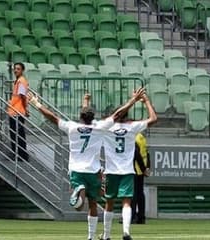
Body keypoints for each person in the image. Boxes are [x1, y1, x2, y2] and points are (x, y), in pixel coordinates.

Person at [28, 88, 145, 240]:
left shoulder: (72, 127)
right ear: (93, 117)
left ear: (80, 116)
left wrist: (36, 103)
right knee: (93, 204)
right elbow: (117, 115)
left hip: (77, 170)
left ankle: (78, 189)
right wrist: (133, 101)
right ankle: (91, 236)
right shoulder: (99, 128)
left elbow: (53, 117)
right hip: (93, 171)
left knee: (77, 203)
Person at [100, 92, 157, 240]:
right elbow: (153, 119)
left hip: (111, 170)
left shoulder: (106, 126)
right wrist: (146, 101)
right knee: (127, 202)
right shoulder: (132, 127)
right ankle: (126, 232)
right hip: (127, 170)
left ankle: (106, 235)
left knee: (109, 202)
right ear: (127, 115)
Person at [7, 62, 29, 161]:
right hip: (14, 111)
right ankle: (17, 155)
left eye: (18, 69)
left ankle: (21, 156)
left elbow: (23, 96)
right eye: (15, 68)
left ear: (22, 70)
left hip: (17, 112)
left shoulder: (21, 81)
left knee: (18, 135)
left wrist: (26, 109)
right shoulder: (17, 81)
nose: (15, 70)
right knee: (15, 134)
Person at [131, 132, 150, 224]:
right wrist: (146, 168)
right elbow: (147, 153)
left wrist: (143, 169)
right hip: (141, 170)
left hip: (135, 169)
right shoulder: (142, 138)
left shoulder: (134, 138)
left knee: (133, 194)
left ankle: (132, 216)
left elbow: (136, 155)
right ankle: (141, 217)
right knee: (140, 194)